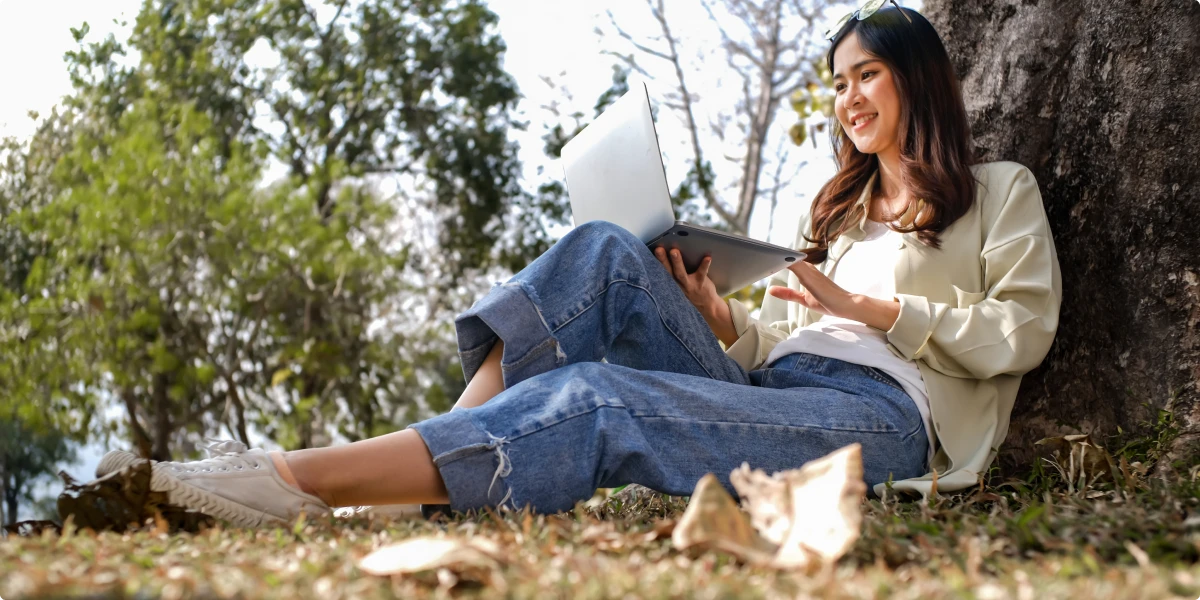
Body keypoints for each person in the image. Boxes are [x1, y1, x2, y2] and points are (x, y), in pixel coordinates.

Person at [93, 4, 1061, 527]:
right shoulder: (841, 210)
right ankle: (432, 456)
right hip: (784, 383)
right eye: (839, 82)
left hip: (888, 422)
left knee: (601, 400)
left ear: (917, 78)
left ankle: (295, 483)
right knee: (607, 250)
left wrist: (880, 310)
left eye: (867, 76)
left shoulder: (998, 189)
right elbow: (789, 348)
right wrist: (727, 323)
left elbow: (1024, 331)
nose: (848, 98)